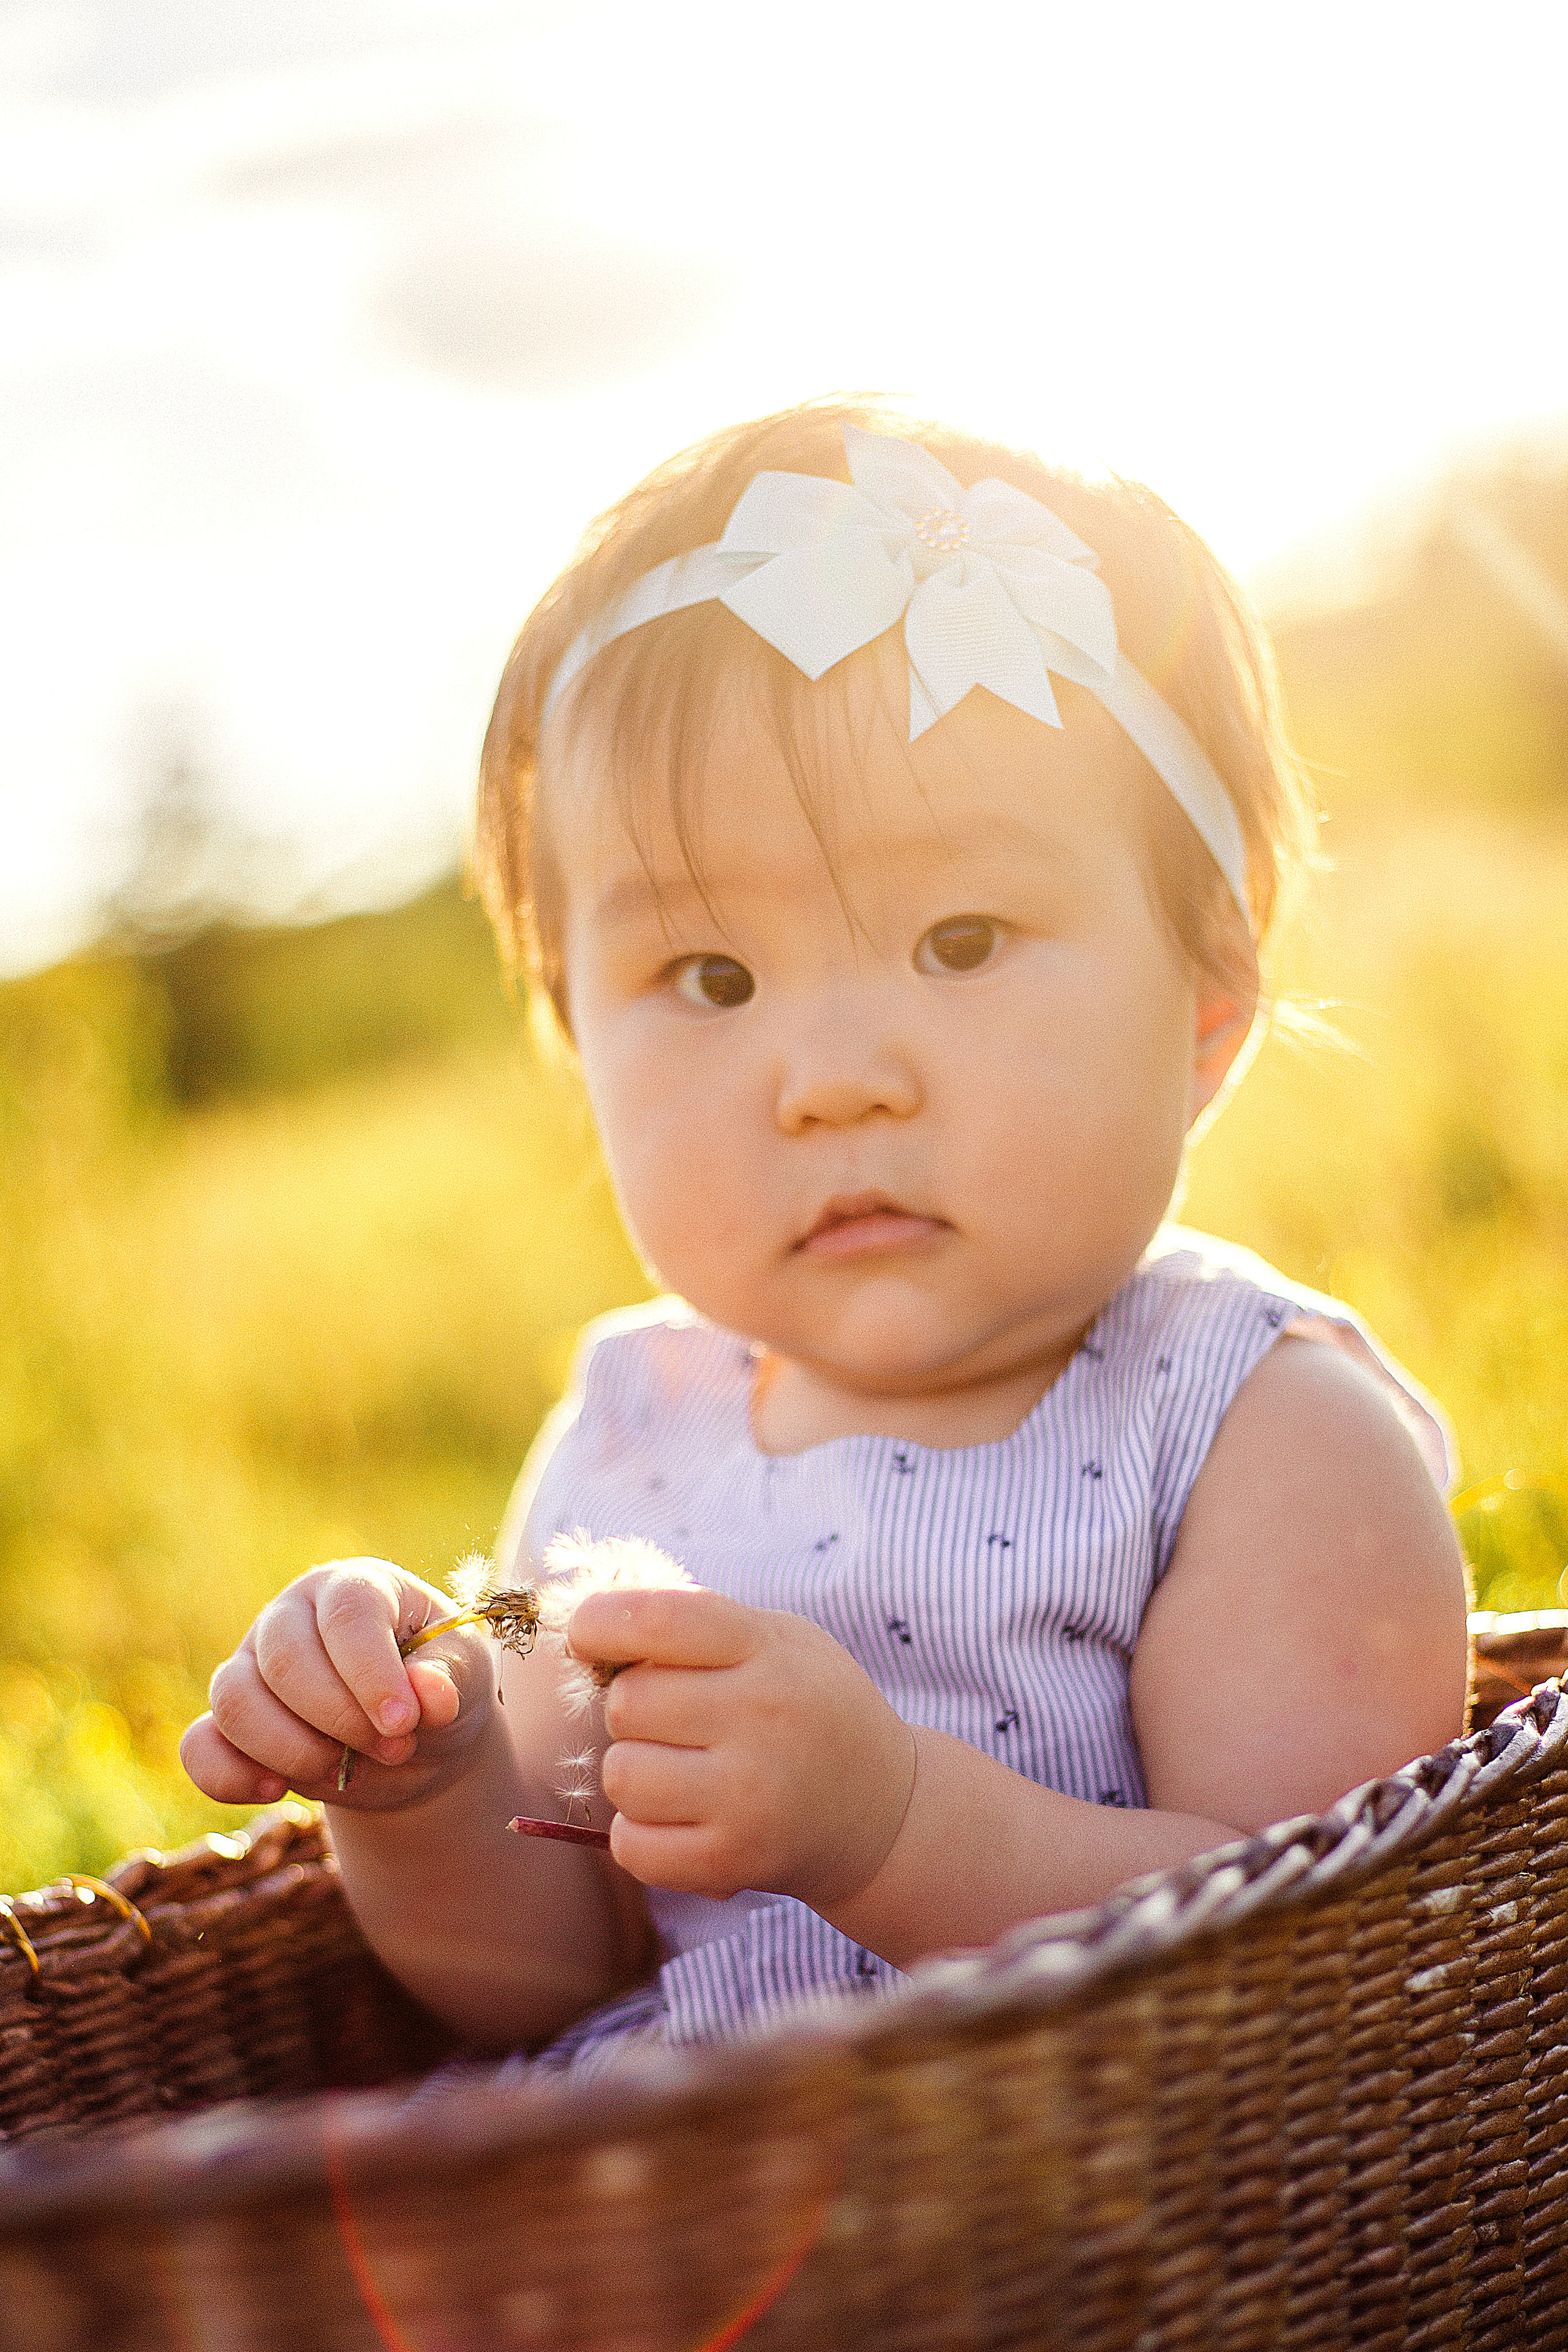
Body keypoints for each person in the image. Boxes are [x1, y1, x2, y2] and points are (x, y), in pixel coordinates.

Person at [181, 399, 1470, 2070]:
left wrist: (893, 1829)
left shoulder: (1252, 1426)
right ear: (580, 1042)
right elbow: (551, 1974)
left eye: (959, 936)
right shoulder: (636, 1433)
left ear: (1209, 1012)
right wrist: (423, 1783)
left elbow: (1338, 1970)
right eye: (709, 980)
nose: (831, 1082)